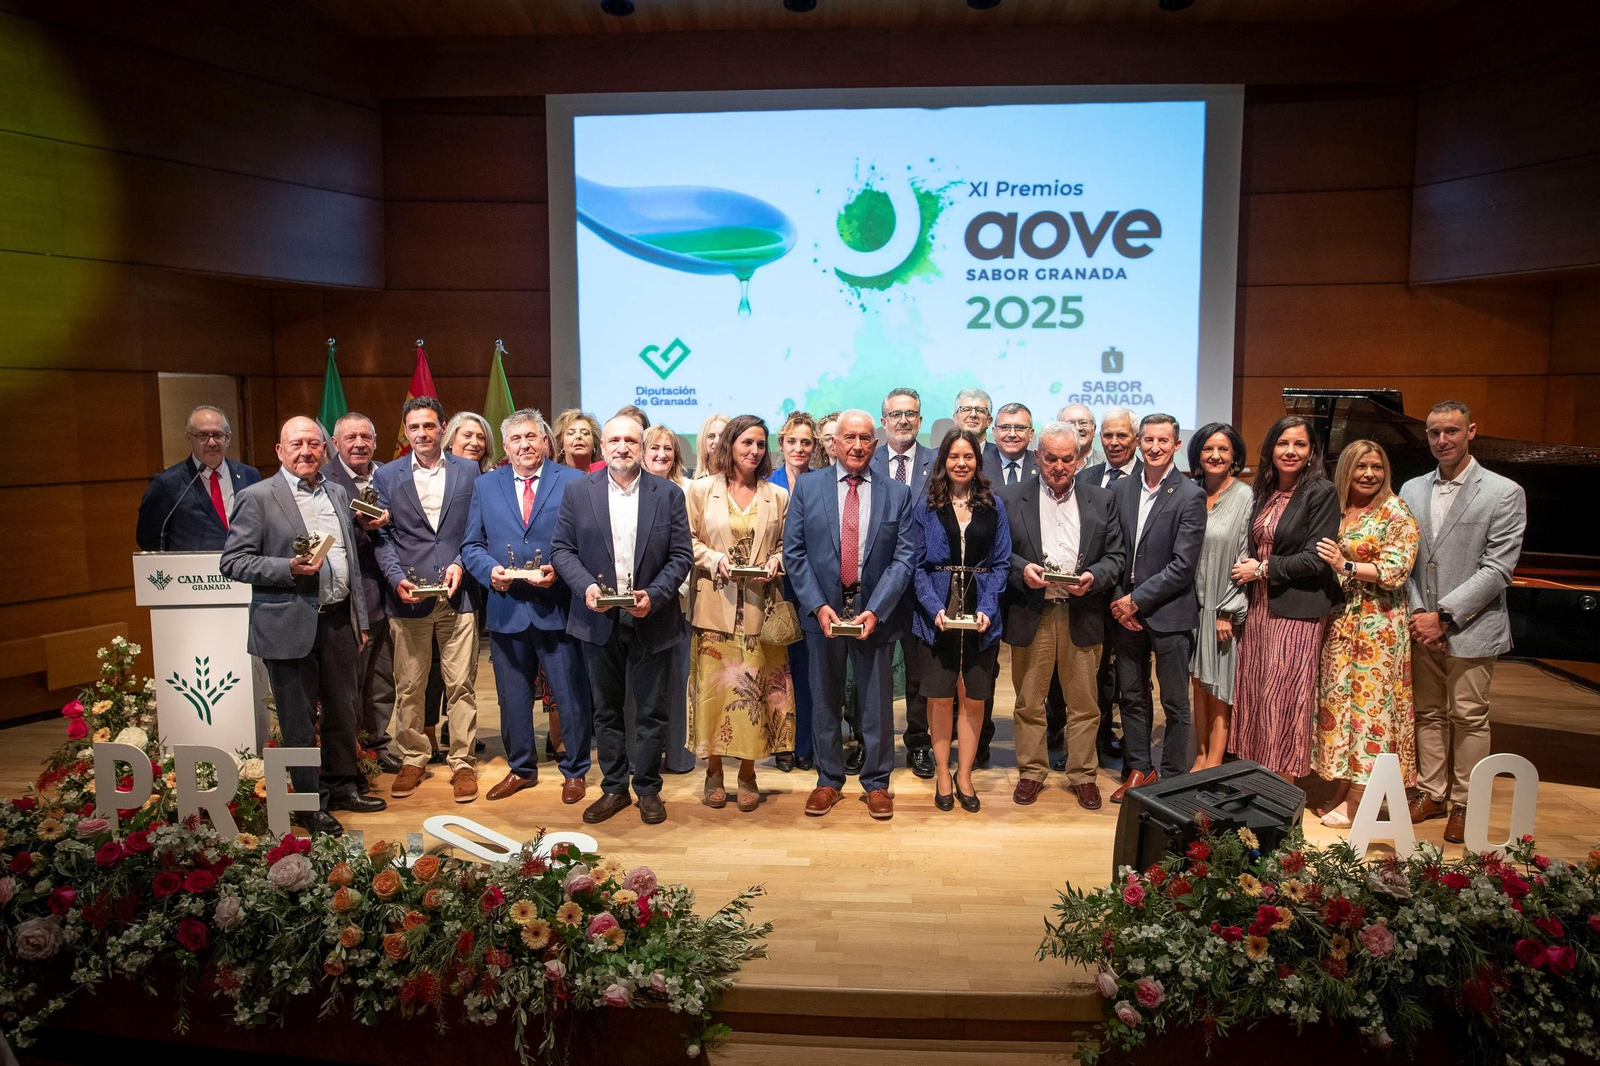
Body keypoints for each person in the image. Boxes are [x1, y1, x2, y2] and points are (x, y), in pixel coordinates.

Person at [219, 416, 383, 834]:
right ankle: (309, 805)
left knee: (344, 711)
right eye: (296, 444)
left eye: (313, 443)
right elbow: (232, 562)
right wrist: (287, 568)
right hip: (287, 626)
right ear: (280, 451)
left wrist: (359, 620)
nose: (306, 451)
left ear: (325, 450)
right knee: (296, 722)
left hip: (338, 622)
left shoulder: (336, 492)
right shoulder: (257, 497)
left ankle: (343, 786)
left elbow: (349, 561)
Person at [551, 415, 693, 826]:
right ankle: (614, 788)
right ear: (602, 445)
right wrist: (585, 588)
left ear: (642, 445)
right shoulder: (578, 492)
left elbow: (681, 556)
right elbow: (562, 550)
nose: (622, 447)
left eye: (631, 440)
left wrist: (657, 595)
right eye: (614, 439)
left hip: (652, 616)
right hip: (597, 618)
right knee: (606, 712)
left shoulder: (667, 494)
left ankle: (648, 788)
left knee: (651, 711)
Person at [1400, 401, 1527, 843]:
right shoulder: (1411, 489)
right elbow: (1406, 561)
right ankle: (1433, 793)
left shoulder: (1503, 491)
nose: (1442, 440)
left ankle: (1464, 802)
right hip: (1421, 624)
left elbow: (1498, 569)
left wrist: (1445, 617)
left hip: (1471, 625)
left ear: (1471, 431)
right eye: (1434, 433)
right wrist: (1419, 614)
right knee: (1428, 712)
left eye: (1451, 431)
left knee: (1469, 716)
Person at [783, 410, 916, 821]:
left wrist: (876, 609)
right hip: (822, 611)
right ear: (834, 444)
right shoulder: (807, 487)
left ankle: (877, 785)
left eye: (864, 438)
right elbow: (795, 553)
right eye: (848, 438)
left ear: (874, 445)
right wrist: (818, 605)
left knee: (875, 703)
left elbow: (905, 558)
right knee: (824, 698)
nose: (857, 445)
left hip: (874, 612)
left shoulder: (897, 493)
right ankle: (828, 781)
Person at [461, 409, 593, 805]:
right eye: (516, 439)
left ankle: (575, 770)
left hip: (558, 606)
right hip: (507, 608)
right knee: (512, 696)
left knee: (570, 694)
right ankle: (521, 769)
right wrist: (490, 573)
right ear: (506, 446)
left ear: (546, 442)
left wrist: (562, 571)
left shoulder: (572, 481)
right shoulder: (485, 486)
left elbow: (587, 541)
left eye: (532, 437)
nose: (525, 445)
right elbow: (471, 545)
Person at [1000, 423, 1125, 809]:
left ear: (1080, 459)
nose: (1058, 466)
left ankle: (1083, 774)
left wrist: (1093, 577)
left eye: (1066, 459)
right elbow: (998, 554)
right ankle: (1032, 771)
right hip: (1032, 613)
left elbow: (1116, 558)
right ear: (1038, 456)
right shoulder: (1010, 497)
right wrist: (1022, 570)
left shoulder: (1101, 500)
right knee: (1029, 701)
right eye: (1050, 458)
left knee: (1085, 704)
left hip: (1081, 612)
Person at [373, 397, 482, 803]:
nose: (422, 434)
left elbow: (477, 527)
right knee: (410, 685)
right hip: (408, 596)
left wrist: (461, 563)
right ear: (406, 432)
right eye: (414, 427)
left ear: (442, 429)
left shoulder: (468, 470)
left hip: (459, 593)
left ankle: (463, 762)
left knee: (461, 685)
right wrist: (396, 578)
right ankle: (414, 757)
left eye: (430, 426)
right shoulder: (386, 475)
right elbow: (381, 536)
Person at [684, 415, 794, 811]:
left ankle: (748, 772)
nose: (754, 451)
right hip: (714, 610)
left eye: (761, 445)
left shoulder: (776, 495)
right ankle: (713, 769)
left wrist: (776, 562)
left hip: (759, 612)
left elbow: (786, 545)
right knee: (715, 696)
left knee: (754, 698)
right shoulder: (699, 491)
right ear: (730, 444)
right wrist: (713, 558)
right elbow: (687, 541)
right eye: (747, 443)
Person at [1312, 440, 1420, 827]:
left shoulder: (1395, 510)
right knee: (1344, 707)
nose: (1369, 474)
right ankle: (1346, 786)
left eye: (1376, 466)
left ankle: (1361, 798)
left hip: (1378, 622)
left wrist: (1347, 565)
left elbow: (1396, 569)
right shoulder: (1339, 508)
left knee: (1370, 710)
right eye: (1361, 467)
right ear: (1347, 470)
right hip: (1342, 621)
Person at [1228, 415, 1342, 780]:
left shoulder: (1321, 491)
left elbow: (1315, 558)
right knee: (1257, 691)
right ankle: (1256, 775)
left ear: (1312, 453)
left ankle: (1283, 784)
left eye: (1300, 444)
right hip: (1259, 607)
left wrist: (1260, 569)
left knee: (1284, 695)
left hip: (1297, 609)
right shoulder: (1264, 490)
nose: (1290, 451)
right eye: (1283, 443)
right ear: (1271, 449)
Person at [910, 430, 1011, 812]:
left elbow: (1001, 563)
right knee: (939, 696)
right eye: (954, 456)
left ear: (977, 462)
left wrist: (988, 606)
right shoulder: (927, 506)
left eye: (968, 456)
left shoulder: (994, 506)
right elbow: (918, 566)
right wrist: (934, 606)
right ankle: (942, 771)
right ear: (943, 461)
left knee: (973, 697)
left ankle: (965, 774)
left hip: (982, 614)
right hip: (936, 616)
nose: (961, 463)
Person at [1108, 414, 1207, 802]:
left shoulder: (1189, 494)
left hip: (1168, 613)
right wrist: (1121, 601)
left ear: (1176, 445)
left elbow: (1183, 565)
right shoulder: (1121, 489)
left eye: (1163, 441)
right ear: (1137, 442)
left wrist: (1137, 600)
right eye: (1148, 439)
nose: (1154, 447)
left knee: (1174, 701)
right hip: (1124, 612)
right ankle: (1140, 769)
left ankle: (1173, 777)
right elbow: (1113, 551)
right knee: (1131, 695)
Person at [322, 412, 399, 774]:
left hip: (390, 594)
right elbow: (323, 538)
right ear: (335, 444)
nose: (358, 444)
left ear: (375, 441)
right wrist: (361, 526)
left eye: (365, 437)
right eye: (350, 438)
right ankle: (351, 754)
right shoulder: (324, 480)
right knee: (351, 681)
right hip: (350, 599)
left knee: (383, 677)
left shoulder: (386, 474)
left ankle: (379, 744)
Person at [870, 388, 938, 779]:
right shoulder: (869, 459)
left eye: (910, 414)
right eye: (895, 414)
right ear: (883, 420)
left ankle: (918, 741)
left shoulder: (937, 462)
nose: (902, 421)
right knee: (871, 669)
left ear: (920, 419)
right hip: (877, 584)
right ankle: (870, 741)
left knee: (918, 673)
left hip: (923, 585)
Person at [1075, 406, 1141, 770]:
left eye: (1122, 435)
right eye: (1108, 435)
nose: (1114, 442)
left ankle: (1134, 752)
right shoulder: (1087, 476)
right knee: (1090, 679)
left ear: (1135, 439)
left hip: (1131, 598)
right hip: (1088, 596)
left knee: (1128, 680)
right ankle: (1093, 742)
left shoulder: (1150, 479)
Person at [1187, 422, 1252, 772]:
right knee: (1198, 683)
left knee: (1220, 685)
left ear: (1234, 457)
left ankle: (1214, 761)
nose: (1215, 455)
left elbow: (1245, 556)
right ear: (1198, 453)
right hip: (1190, 606)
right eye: (1209, 448)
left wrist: (1228, 611)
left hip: (1221, 607)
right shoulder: (1190, 490)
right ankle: (1198, 754)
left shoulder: (1244, 496)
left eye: (1223, 449)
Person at [640, 425, 697, 776]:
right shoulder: (628, 490)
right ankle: (639, 757)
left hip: (680, 600)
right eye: (654, 447)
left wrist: (674, 589)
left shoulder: (690, 491)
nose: (662, 454)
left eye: (668, 448)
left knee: (678, 685)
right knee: (639, 688)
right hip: (636, 602)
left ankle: (679, 757)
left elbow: (690, 548)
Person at [770, 412, 821, 772]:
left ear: (814, 446)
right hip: (773, 589)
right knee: (775, 671)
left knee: (806, 671)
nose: (798, 448)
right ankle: (779, 744)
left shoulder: (822, 483)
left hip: (811, 588)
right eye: (792, 441)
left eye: (805, 442)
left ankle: (805, 744)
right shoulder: (766, 483)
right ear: (782, 445)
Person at [136, 405, 261, 551]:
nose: (212, 442)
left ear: (228, 437)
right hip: (193, 570)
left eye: (218, 435)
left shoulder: (249, 475)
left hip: (243, 567)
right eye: (202, 436)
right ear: (189, 437)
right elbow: (148, 538)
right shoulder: (166, 483)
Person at [984, 403, 1039, 487]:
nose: (1012, 434)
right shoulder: (978, 465)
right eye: (1005, 427)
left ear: (1031, 434)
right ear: (994, 433)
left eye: (1020, 428)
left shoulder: (1041, 465)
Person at [694, 412, 730, 479]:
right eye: (711, 436)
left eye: (722, 436)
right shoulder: (689, 481)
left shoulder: (740, 481)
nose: (717, 441)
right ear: (702, 441)